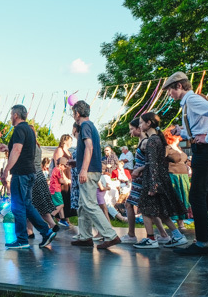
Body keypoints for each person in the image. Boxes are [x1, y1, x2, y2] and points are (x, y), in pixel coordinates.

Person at [165, 71, 208, 255]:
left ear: (179, 86)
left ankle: (202, 243)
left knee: (196, 196)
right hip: (204, 149)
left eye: (170, 90)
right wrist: (182, 130)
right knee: (207, 197)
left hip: (207, 150)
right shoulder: (188, 104)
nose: (169, 94)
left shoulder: (192, 100)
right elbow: (197, 130)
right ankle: (203, 242)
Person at [0, 105, 57, 249]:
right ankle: (46, 232)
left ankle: (22, 239)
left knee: (18, 206)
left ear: (16, 115)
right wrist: (8, 147)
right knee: (27, 205)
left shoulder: (18, 129)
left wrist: (6, 170)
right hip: (31, 172)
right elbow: (21, 149)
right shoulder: (29, 131)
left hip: (21, 173)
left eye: (12, 114)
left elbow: (18, 150)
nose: (11, 117)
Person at [133, 112, 188, 249]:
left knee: (145, 208)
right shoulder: (158, 139)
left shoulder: (152, 140)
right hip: (160, 178)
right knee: (161, 210)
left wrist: (153, 185)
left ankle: (151, 239)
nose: (140, 125)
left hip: (153, 179)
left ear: (148, 123)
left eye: (141, 122)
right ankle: (177, 235)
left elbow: (153, 164)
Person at [70, 101, 120, 249]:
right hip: (91, 168)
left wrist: (84, 169)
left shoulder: (85, 126)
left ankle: (110, 235)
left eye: (73, 113)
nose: (73, 116)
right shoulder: (91, 126)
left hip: (89, 170)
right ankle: (85, 236)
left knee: (89, 204)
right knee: (83, 205)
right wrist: (77, 163)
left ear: (77, 113)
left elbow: (89, 147)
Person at [122, 119, 169, 244]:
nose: (131, 132)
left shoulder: (146, 142)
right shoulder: (142, 142)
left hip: (144, 179)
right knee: (146, 209)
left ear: (140, 128)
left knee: (145, 208)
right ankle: (164, 234)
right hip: (140, 179)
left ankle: (134, 234)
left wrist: (139, 170)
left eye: (132, 129)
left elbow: (151, 162)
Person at [163, 126, 190, 229]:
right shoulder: (167, 147)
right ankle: (176, 223)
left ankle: (181, 222)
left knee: (183, 199)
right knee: (176, 198)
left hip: (183, 176)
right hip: (173, 175)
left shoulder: (178, 148)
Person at [49, 157, 70, 226]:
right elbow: (60, 181)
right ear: (60, 165)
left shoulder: (54, 169)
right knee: (61, 205)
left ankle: (62, 219)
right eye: (64, 166)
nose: (65, 168)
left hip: (53, 189)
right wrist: (66, 182)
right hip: (56, 190)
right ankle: (51, 215)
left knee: (60, 205)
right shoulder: (59, 170)